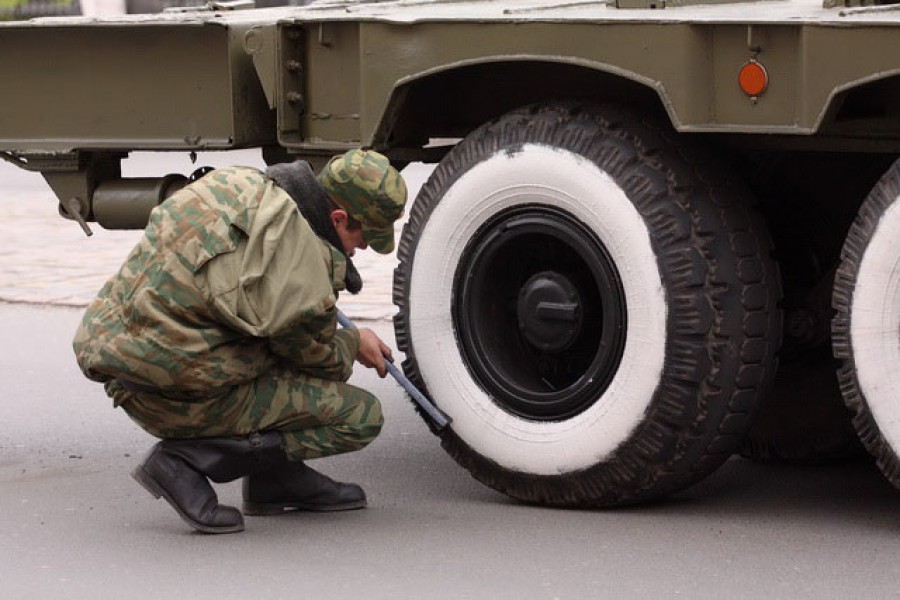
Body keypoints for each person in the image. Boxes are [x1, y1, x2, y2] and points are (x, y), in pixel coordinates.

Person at [73, 149, 407, 534]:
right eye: (363, 235)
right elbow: (314, 358)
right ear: (337, 218)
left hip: (125, 353)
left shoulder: (239, 183)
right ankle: (183, 462)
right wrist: (353, 343)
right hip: (166, 397)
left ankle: (275, 481)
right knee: (360, 416)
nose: (362, 248)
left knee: (276, 349)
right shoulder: (303, 269)